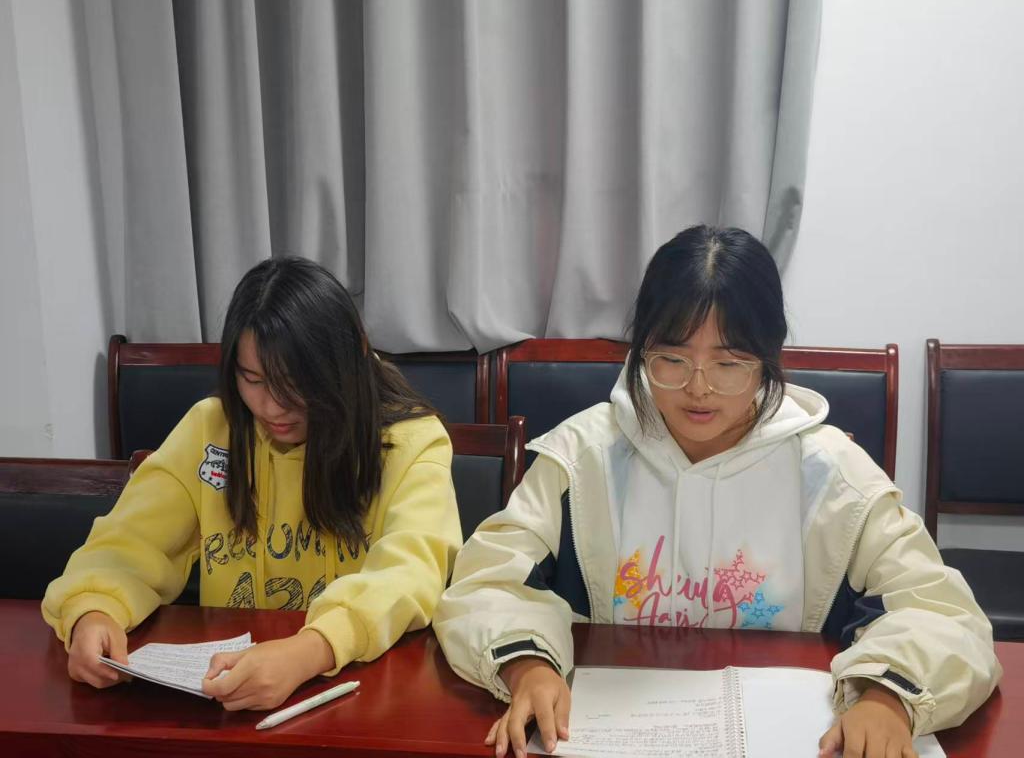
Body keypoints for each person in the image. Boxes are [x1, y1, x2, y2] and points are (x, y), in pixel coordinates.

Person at [434, 226, 1000, 758]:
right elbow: (488, 580)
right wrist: (527, 665)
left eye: (729, 363)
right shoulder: (584, 457)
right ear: (641, 351)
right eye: (671, 359)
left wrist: (887, 699)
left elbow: (940, 611)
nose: (698, 388)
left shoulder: (830, 474)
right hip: (610, 726)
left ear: (768, 359)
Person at [43, 256, 461, 711]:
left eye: (297, 383)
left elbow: (410, 572)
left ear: (350, 359)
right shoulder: (210, 430)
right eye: (254, 379)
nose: (273, 407)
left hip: (358, 694)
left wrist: (310, 650)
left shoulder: (410, 441)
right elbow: (129, 541)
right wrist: (93, 609)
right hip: (224, 690)